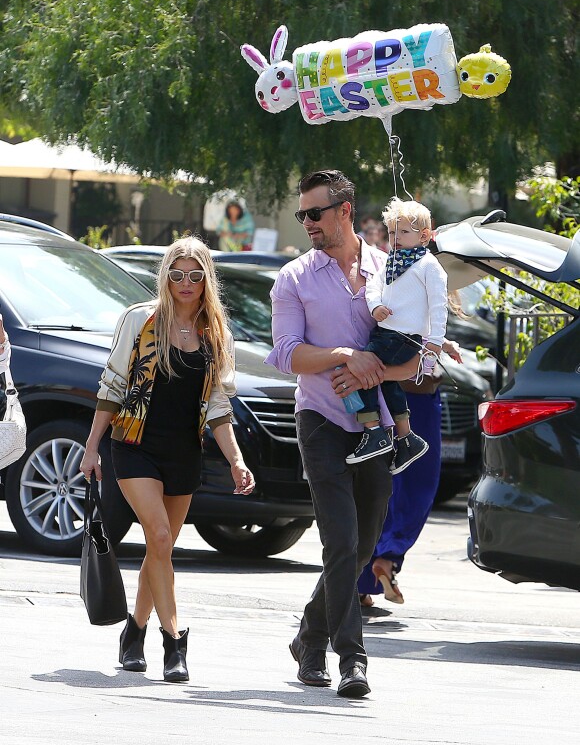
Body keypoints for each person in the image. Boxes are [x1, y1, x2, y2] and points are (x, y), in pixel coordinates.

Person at [265, 170, 419, 699]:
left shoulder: (392, 269)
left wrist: (372, 370)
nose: (307, 222)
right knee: (341, 540)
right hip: (321, 420)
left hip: (377, 426)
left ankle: (308, 637)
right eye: (302, 214)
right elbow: (286, 353)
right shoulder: (294, 277)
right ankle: (352, 658)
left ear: (345, 210)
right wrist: (345, 356)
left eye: (315, 213)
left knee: (363, 544)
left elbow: (412, 358)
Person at [80, 236, 255, 683]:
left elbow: (219, 406)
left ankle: (133, 632)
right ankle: (174, 641)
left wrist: (236, 460)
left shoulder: (217, 333)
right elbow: (112, 385)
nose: (185, 282)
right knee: (158, 535)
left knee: (161, 549)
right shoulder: (140, 320)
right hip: (134, 444)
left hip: (183, 453)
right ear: (166, 277)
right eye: (177, 274)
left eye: (195, 275)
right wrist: (92, 446)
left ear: (206, 278)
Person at [345, 197, 448, 474]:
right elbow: (372, 287)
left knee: (359, 370)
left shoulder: (428, 265)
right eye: (392, 232)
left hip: (404, 337)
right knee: (387, 383)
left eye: (403, 232)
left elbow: (439, 306)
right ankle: (406, 438)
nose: (396, 238)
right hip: (384, 332)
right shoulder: (392, 260)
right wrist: (375, 306)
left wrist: (436, 342)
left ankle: (373, 431)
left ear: (424, 236)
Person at [358, 341, 462, 606]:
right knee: (416, 485)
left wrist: (442, 342)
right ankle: (386, 560)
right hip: (410, 390)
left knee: (381, 482)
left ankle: (362, 580)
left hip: (390, 390)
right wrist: (442, 343)